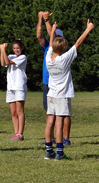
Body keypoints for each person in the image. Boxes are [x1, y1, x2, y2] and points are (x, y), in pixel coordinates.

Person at [44, 20, 94, 160]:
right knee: (59, 124)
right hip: (62, 95)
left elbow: (50, 45)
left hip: (51, 94)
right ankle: (59, 153)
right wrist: (88, 29)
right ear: (64, 48)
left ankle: (49, 152)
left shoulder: (48, 57)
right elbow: (78, 43)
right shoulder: (64, 59)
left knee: (49, 123)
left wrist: (53, 31)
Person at [37, 11, 72, 146]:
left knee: (65, 114)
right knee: (50, 113)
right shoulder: (48, 48)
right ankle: (51, 139)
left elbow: (51, 34)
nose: (53, 36)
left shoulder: (65, 50)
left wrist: (46, 20)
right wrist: (42, 19)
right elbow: (40, 35)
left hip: (62, 87)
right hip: (48, 84)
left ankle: (66, 138)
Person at [0, 40, 27, 141]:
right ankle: (16, 133)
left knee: (20, 112)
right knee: (13, 113)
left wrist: (3, 50)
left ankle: (20, 134)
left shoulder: (23, 57)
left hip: (19, 86)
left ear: (22, 48)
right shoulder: (10, 55)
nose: (16, 50)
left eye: (18, 48)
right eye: (14, 48)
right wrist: (2, 51)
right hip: (10, 87)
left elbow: (8, 62)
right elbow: (3, 63)